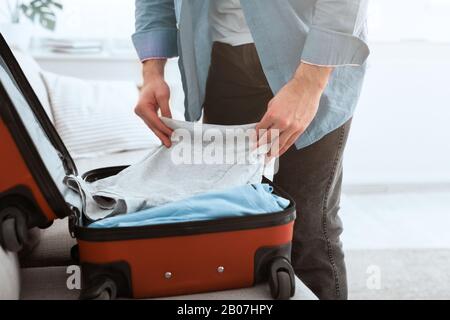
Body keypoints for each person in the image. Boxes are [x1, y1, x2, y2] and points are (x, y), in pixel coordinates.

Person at [132, 0, 369, 300]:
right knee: (230, 225)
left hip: (310, 59)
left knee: (310, 231)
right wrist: (152, 72)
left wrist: (308, 85)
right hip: (221, 64)